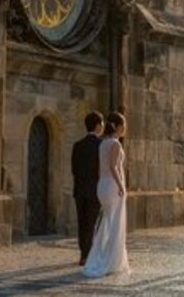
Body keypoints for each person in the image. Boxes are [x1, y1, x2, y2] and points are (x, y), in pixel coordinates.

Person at [82, 112, 130, 278]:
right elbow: (113, 167)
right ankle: (111, 260)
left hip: (102, 185)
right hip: (112, 185)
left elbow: (101, 167)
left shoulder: (102, 143)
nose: (124, 129)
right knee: (114, 223)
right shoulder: (115, 144)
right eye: (123, 126)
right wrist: (121, 186)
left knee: (107, 222)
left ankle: (101, 256)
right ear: (117, 127)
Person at [70, 111, 104, 266]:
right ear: (98, 126)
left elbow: (74, 169)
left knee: (82, 221)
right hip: (94, 189)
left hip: (79, 189)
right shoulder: (101, 145)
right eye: (102, 124)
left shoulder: (77, 145)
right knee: (91, 222)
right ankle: (86, 255)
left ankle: (83, 253)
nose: (103, 127)